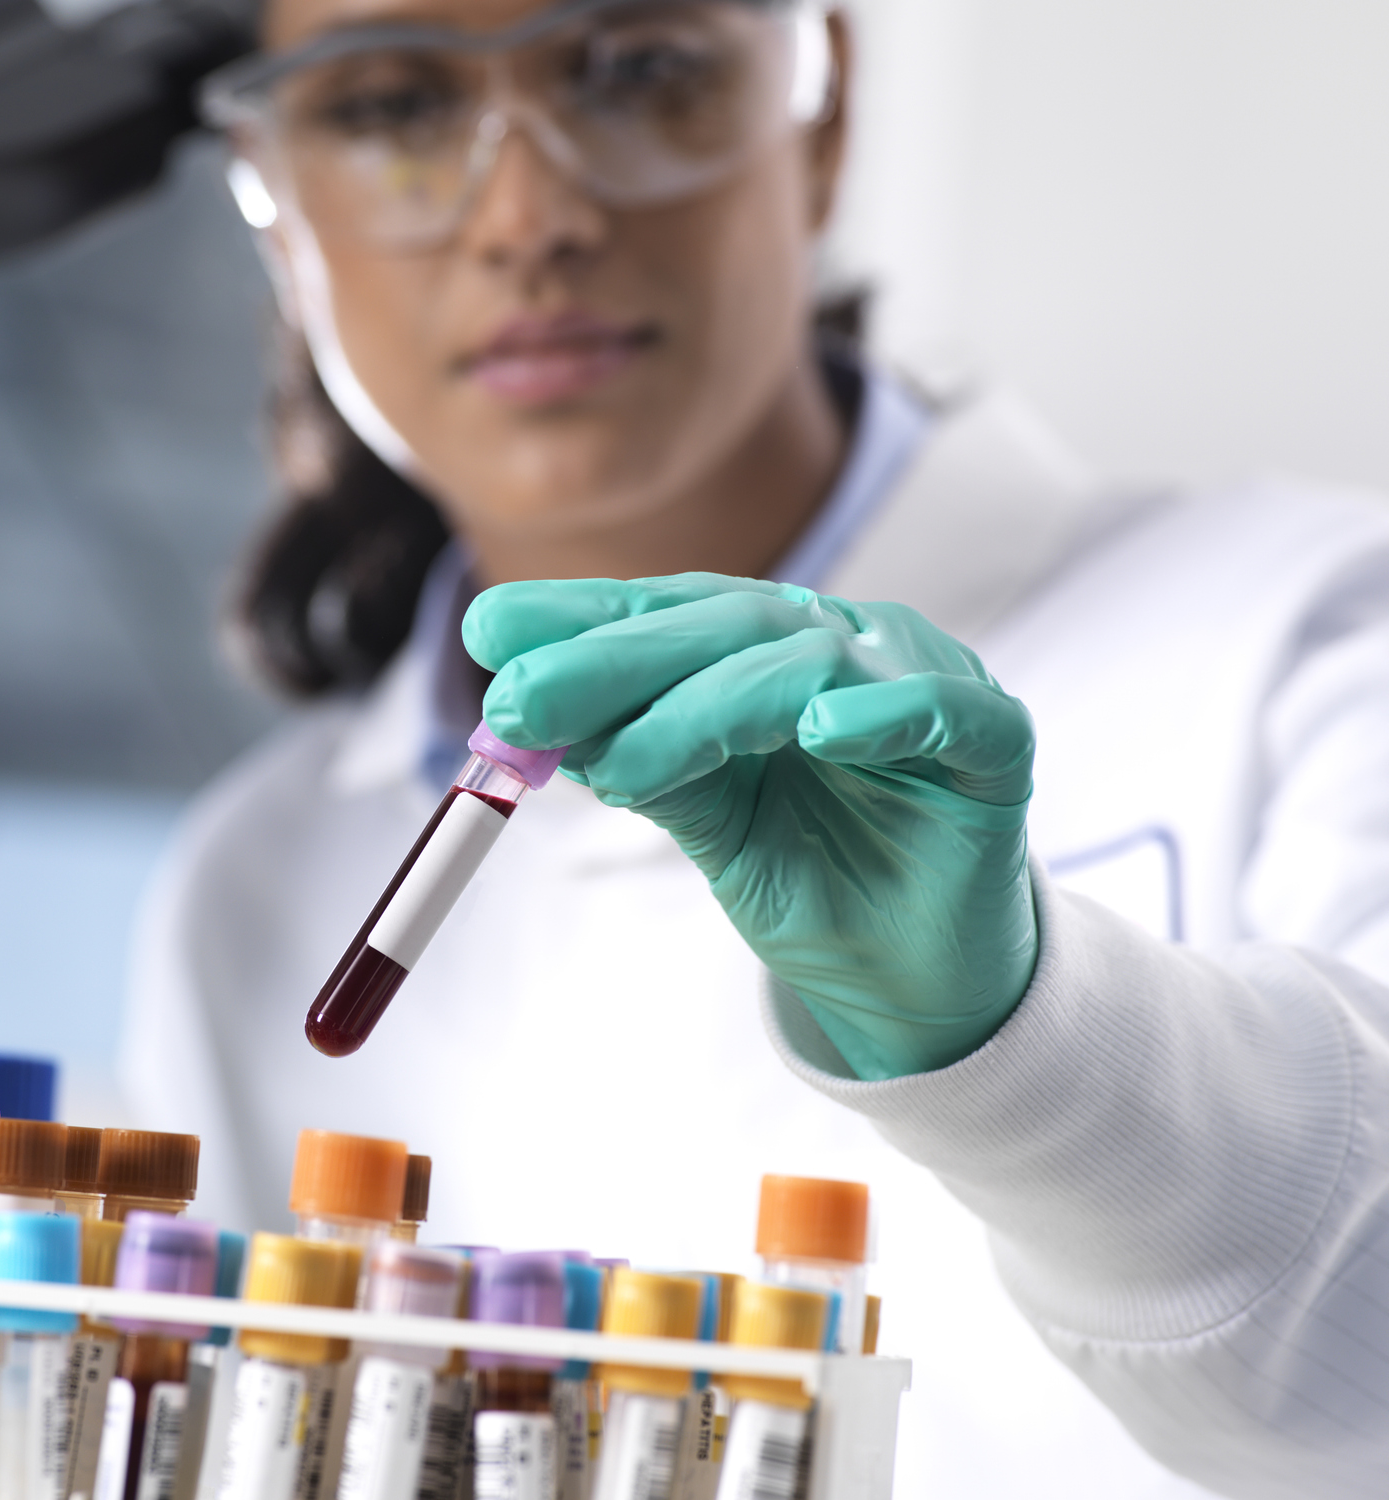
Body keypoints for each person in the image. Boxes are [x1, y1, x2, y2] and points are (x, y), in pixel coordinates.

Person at [119, 1, 1389, 1495]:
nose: (532, 216)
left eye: (637, 69)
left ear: (823, 107)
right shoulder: (250, 889)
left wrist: (1030, 1043)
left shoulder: (1315, 643)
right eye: (388, 107)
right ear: (274, 203)